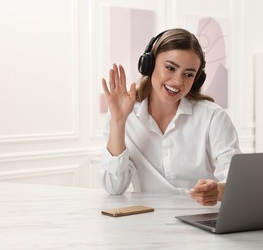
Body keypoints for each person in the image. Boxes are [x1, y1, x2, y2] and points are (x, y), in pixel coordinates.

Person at [99, 28, 241, 206]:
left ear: (197, 79)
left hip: (199, 222)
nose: (177, 81)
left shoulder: (214, 117)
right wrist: (118, 121)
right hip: (147, 222)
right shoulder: (125, 115)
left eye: (188, 74)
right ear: (149, 65)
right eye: (170, 68)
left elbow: (235, 182)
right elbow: (114, 187)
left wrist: (219, 190)